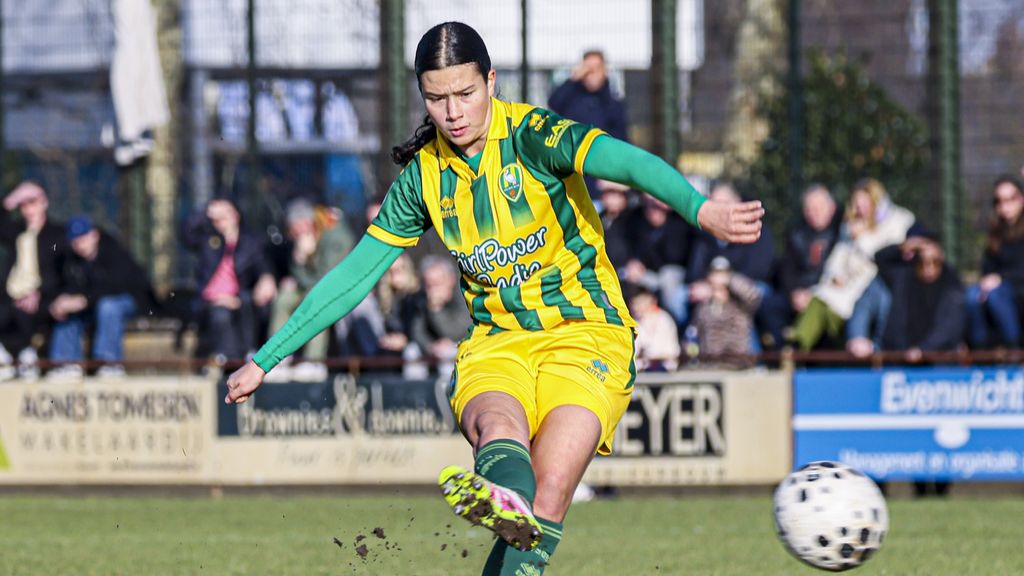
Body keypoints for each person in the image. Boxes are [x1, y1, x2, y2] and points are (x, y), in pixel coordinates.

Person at [223, 22, 762, 575]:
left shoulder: (532, 134)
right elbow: (356, 274)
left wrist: (700, 208)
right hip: (497, 344)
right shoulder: (423, 177)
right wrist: (268, 357)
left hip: (587, 335)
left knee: (550, 491)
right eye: (437, 98)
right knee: (499, 431)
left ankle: (514, 502)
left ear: (491, 82)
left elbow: (625, 160)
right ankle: (507, 497)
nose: (453, 111)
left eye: (465, 93)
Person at [789, 178, 914, 356]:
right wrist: (836, 277)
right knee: (819, 301)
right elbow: (836, 260)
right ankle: (796, 349)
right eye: (856, 204)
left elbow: (884, 257)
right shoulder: (850, 227)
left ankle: (798, 349)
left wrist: (862, 239)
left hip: (875, 285)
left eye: (865, 203)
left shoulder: (897, 221)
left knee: (839, 309)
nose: (860, 209)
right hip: (843, 288)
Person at [47, 216, 154, 379]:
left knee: (108, 306)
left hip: (129, 301)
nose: (80, 244)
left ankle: (108, 363)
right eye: (75, 241)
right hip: (93, 304)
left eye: (83, 238)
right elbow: (67, 287)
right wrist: (62, 301)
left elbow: (117, 286)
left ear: (94, 235)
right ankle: (66, 363)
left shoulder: (113, 250)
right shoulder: (70, 260)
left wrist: (83, 300)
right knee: (66, 309)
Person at [686, 181, 785, 350]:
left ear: (737, 203)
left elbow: (758, 271)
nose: (719, 209)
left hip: (744, 290)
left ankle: (752, 359)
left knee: (746, 302)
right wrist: (712, 288)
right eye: (714, 204)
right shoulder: (703, 234)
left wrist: (726, 284)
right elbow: (694, 271)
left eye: (723, 204)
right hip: (713, 291)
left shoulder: (755, 229)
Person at [264, 198, 354, 382]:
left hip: (336, 289)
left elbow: (327, 279)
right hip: (310, 286)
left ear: (307, 222)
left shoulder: (333, 233)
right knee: (284, 297)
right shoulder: (300, 238)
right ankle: (276, 358)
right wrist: (299, 260)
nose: (294, 233)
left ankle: (313, 361)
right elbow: (300, 276)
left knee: (316, 301)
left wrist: (304, 259)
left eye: (296, 227)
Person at [182, 198, 277, 362]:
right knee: (220, 313)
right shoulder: (208, 240)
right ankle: (229, 359)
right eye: (216, 219)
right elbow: (186, 233)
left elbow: (262, 266)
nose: (219, 222)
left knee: (247, 303)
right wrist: (205, 211)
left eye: (224, 216)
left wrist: (267, 278)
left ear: (235, 216)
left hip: (240, 296)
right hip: (211, 299)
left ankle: (250, 353)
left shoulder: (250, 243)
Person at [0, 181, 70, 380]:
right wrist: (12, 198)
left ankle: (23, 356)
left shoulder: (56, 234)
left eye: (33, 202)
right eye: (24, 204)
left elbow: (60, 271)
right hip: (10, 295)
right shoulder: (16, 232)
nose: (28, 208)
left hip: (42, 297)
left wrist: (38, 293)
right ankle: (12, 357)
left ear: (44, 203)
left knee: (26, 313)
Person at [548, 49, 629, 203]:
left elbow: (621, 140)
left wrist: (616, 184)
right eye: (587, 69)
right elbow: (554, 102)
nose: (591, 74)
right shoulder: (572, 100)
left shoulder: (612, 102)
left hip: (602, 185)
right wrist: (573, 79)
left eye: (596, 69)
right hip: (572, 180)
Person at [875, 225, 964, 363]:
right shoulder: (904, 277)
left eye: (935, 262)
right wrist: (904, 247)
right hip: (901, 357)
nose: (929, 268)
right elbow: (880, 258)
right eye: (923, 262)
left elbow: (949, 327)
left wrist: (923, 349)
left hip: (938, 361)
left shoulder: (949, 282)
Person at [964, 175, 1024, 349]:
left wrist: (1001, 278)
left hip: (1017, 291)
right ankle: (980, 352)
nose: (1004, 206)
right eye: (999, 201)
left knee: (996, 296)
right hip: (1000, 289)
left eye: (1010, 199)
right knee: (972, 295)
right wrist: (986, 282)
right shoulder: (996, 233)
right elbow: (988, 267)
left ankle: (1015, 350)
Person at [779, 184, 842, 320]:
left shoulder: (842, 233)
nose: (815, 213)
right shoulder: (797, 235)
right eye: (810, 209)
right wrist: (794, 293)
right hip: (800, 295)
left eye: (819, 208)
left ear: (832, 208)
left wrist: (814, 293)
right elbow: (787, 270)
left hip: (831, 294)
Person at [690, 256, 763, 366]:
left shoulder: (739, 304)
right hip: (711, 365)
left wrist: (729, 279)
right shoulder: (703, 307)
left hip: (738, 364)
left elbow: (754, 296)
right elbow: (692, 335)